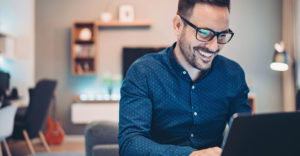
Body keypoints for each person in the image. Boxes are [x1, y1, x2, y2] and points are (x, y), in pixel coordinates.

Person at [118, 0, 251, 156]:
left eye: (222, 35)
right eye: (204, 33)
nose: (214, 46)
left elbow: (246, 137)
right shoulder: (143, 72)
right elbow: (130, 144)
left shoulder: (233, 74)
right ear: (178, 25)